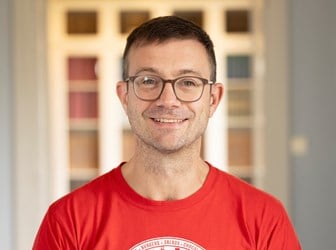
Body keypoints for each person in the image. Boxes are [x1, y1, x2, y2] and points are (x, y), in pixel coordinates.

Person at [33, 16, 301, 249]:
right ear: (125, 96)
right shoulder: (68, 221)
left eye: (188, 82)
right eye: (149, 81)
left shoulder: (264, 218)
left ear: (213, 99)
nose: (168, 100)